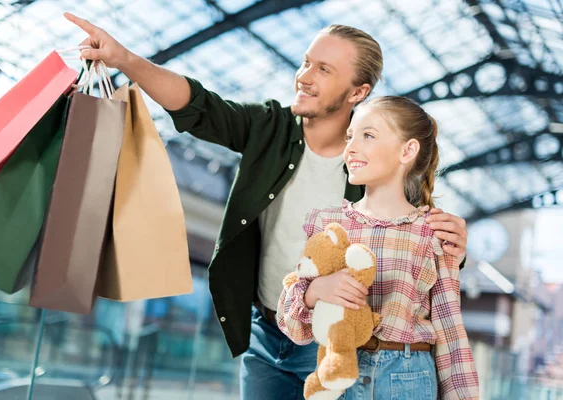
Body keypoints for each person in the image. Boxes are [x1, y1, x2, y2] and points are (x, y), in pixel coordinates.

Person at [64, 13, 470, 399]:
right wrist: (123, 60)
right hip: (267, 329)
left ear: (358, 92)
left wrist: (456, 248)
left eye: (324, 70)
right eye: (306, 62)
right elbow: (199, 105)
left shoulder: (374, 165)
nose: (304, 77)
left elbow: (415, 250)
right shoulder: (269, 127)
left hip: (336, 343)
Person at [278, 96, 479, 399]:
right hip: (338, 375)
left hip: (409, 378)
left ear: (408, 150)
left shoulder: (433, 232)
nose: (351, 148)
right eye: (350, 136)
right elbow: (292, 326)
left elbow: (449, 327)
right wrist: (315, 291)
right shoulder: (327, 224)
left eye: (367, 135)